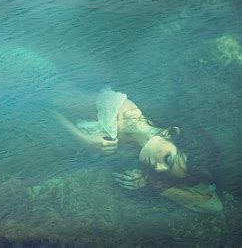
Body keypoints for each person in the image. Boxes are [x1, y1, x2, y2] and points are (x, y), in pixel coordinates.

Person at [54, 89, 223, 214]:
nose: (159, 168)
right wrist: (82, 139)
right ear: (170, 132)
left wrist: (155, 184)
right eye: (168, 159)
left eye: (166, 172)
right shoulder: (119, 110)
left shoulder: (136, 157)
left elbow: (214, 206)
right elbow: (44, 103)